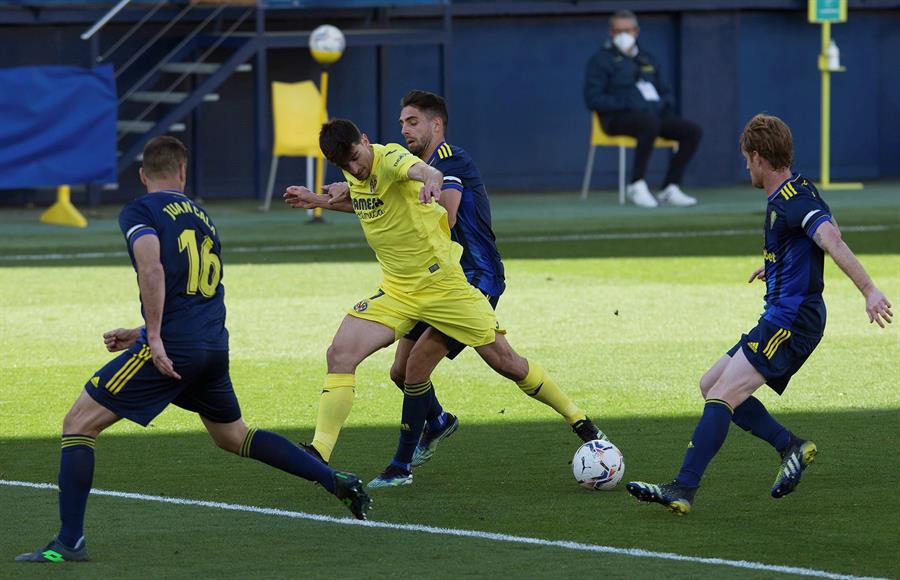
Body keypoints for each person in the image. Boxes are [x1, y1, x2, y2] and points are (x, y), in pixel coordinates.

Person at [15, 137, 371, 564]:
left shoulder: (140, 210)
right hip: (211, 345)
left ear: (144, 174)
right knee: (233, 436)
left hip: (175, 348)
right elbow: (194, 288)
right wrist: (140, 331)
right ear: (183, 172)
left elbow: (151, 266)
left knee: (78, 424)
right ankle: (333, 479)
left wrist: (154, 337)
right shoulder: (203, 217)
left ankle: (68, 542)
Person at [283, 119, 606, 488]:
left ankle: (582, 423)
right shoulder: (354, 172)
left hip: (444, 287)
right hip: (398, 290)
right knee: (340, 353)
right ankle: (319, 453)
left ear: (366, 141)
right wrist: (319, 200)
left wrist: (432, 181)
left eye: (356, 157)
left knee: (508, 363)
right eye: (346, 164)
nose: (355, 168)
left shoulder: (390, 159)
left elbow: (425, 170)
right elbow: (366, 201)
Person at [625, 114, 892, 514]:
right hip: (785, 314)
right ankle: (791, 446)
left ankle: (682, 487)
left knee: (722, 396)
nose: (746, 166)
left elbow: (831, 236)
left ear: (759, 157)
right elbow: (826, 223)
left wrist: (869, 290)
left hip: (792, 320)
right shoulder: (798, 188)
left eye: (747, 159)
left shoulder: (792, 200)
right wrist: (781, 263)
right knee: (710, 382)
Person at [584, 9, 702, 208]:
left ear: (636, 31)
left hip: (653, 115)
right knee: (650, 124)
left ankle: (669, 187)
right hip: (617, 119)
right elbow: (593, 99)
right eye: (618, 31)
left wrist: (661, 104)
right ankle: (636, 184)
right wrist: (628, 103)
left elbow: (666, 92)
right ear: (611, 33)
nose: (623, 35)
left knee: (692, 131)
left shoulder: (648, 58)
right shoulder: (600, 60)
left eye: (628, 30)